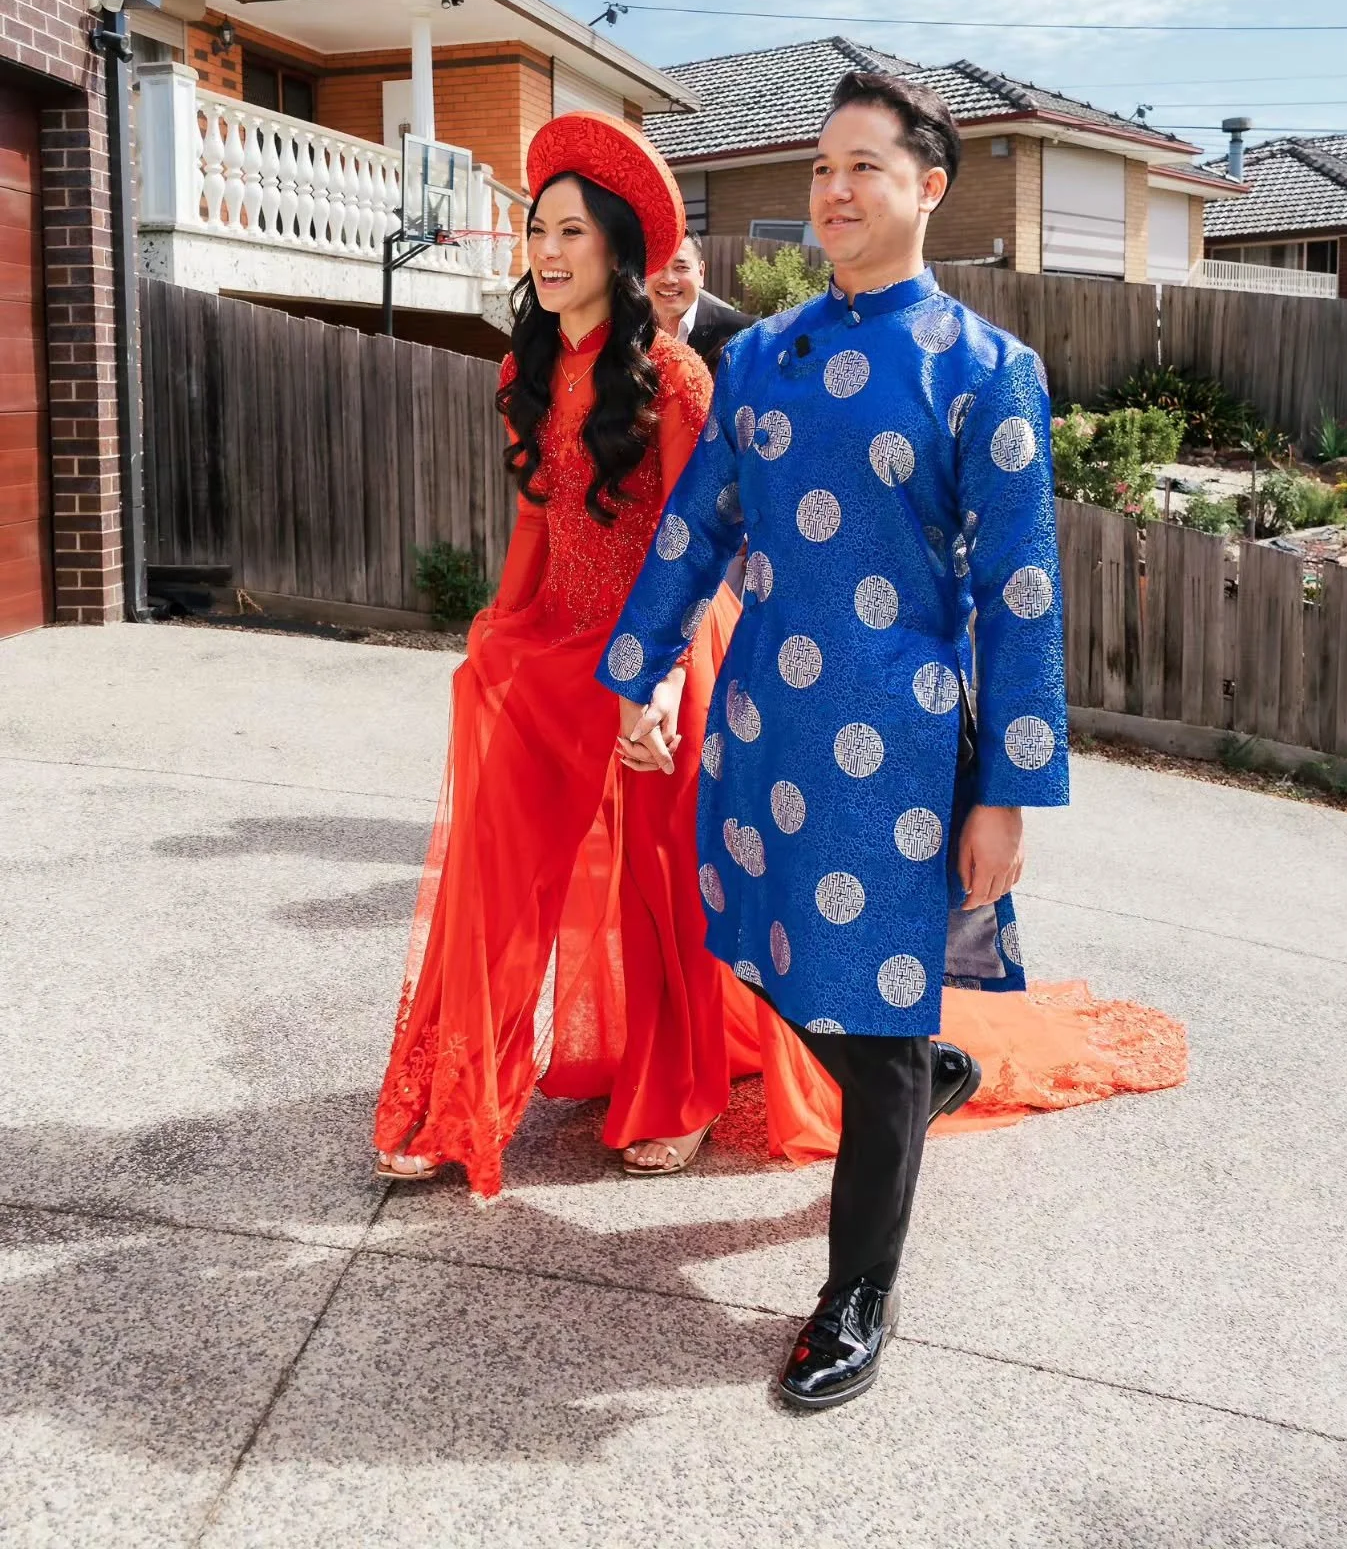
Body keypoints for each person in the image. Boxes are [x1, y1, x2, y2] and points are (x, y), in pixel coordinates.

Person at [598, 70, 1184, 1410]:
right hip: (763, 730)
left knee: (871, 997)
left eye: (862, 166)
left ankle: (857, 1292)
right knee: (764, 953)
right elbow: (698, 527)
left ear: (928, 188)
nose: (833, 192)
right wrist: (642, 676)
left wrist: (1009, 789)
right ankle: (931, 1074)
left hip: (904, 758)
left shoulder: (987, 372)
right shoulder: (759, 357)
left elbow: (1020, 593)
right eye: (819, 169)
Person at [373, 111, 791, 1189]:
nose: (548, 253)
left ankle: (682, 1091)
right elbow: (538, 522)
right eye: (536, 232)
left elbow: (703, 548)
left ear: (617, 249)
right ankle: (457, 1095)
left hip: (658, 659)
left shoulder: (679, 381)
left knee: (661, 884)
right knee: (495, 870)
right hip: (554, 649)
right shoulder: (527, 371)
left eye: (571, 232)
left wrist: (649, 682)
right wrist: (498, 639)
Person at [647, 231, 750, 372]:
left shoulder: (742, 333)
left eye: (681, 267)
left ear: (701, 273)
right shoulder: (624, 333)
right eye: (658, 266)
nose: (669, 279)